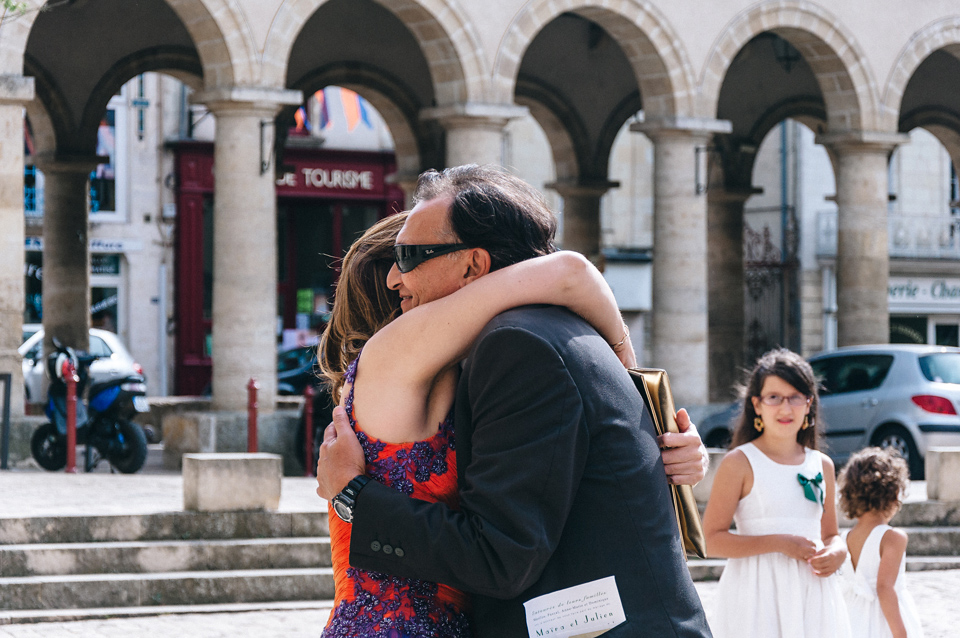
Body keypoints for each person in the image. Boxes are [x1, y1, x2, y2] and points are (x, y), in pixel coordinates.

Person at [316, 164, 711, 637]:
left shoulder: (518, 347)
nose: (395, 280)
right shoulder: (552, 334)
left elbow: (501, 557)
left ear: (472, 265)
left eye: (408, 256)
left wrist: (354, 496)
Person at [701, 348, 850, 638]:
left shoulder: (823, 465)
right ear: (757, 404)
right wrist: (779, 543)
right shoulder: (740, 462)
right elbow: (710, 541)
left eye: (796, 397)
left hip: (813, 594)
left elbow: (830, 533)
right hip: (757, 594)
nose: (785, 408)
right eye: (774, 398)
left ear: (809, 404)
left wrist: (838, 551)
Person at [838, 447, 924, 638]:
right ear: (894, 493)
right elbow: (884, 587)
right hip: (882, 622)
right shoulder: (893, 537)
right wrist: (900, 633)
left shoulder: (846, 537)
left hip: (853, 618)